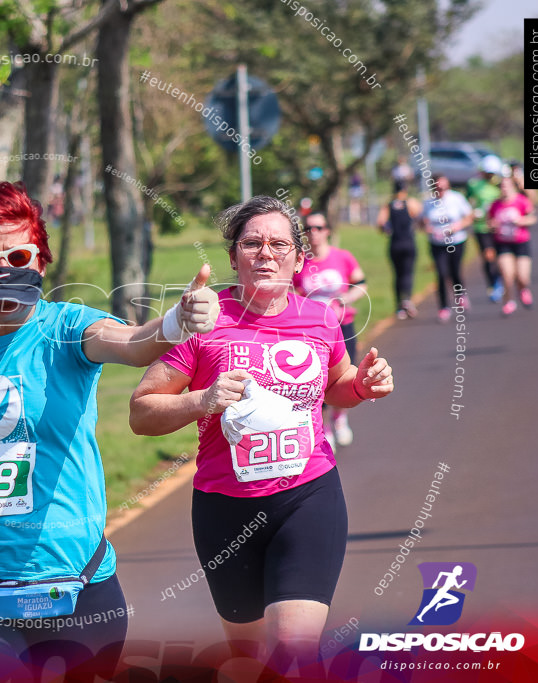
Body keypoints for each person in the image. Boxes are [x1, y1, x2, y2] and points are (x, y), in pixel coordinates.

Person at [0, 181, 217, 680]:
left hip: (75, 587)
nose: (3, 271)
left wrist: (176, 322)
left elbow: (132, 343)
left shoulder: (69, 327)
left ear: (39, 262)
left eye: (17, 255)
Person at [129, 196, 394, 676]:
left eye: (278, 243)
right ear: (233, 257)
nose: (265, 253)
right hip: (224, 508)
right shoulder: (205, 324)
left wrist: (361, 386)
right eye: (252, 243)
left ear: (299, 258)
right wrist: (201, 400)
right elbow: (141, 412)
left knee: (294, 650)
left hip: (307, 496)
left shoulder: (320, 318)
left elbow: (336, 385)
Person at [293, 213, 366, 449]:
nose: (313, 232)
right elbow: (294, 294)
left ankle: (340, 418)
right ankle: (323, 428)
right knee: (317, 378)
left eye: (318, 227)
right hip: (313, 330)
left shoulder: (341, 257)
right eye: (308, 228)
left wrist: (346, 298)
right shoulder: (300, 262)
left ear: (327, 231)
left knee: (343, 375)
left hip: (342, 326)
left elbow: (360, 283)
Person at [421, 175, 472, 322]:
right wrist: (427, 227)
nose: (440, 190)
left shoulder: (456, 198)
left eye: (443, 187)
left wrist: (457, 227)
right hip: (437, 244)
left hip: (457, 241)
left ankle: (460, 294)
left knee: (455, 270)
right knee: (441, 274)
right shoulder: (428, 202)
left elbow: (469, 216)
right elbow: (421, 222)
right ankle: (444, 307)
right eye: (437, 188)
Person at [488, 175, 537, 316]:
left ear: (513, 187)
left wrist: (521, 221)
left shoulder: (521, 201)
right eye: (502, 186)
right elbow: (489, 221)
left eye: (507, 185)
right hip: (503, 243)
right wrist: (493, 225)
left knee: (523, 276)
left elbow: (533, 218)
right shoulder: (495, 204)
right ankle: (509, 301)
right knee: (507, 274)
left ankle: (523, 288)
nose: (504, 188)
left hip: (521, 242)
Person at [376, 180, 422, 319]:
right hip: (408, 243)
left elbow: (380, 223)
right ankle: (407, 300)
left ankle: (399, 306)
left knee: (397, 275)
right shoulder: (411, 202)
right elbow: (421, 217)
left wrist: (387, 230)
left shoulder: (388, 205)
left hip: (395, 244)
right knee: (408, 272)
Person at [465, 156, 505, 302]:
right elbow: (468, 202)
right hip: (482, 227)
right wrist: (473, 211)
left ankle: (502, 279)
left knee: (501, 256)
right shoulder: (474, 184)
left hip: (499, 226)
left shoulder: (500, 184)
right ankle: (493, 283)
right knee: (488, 256)